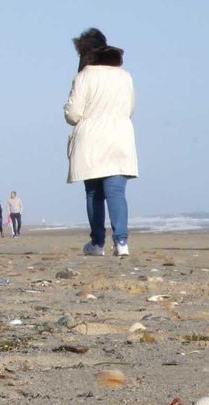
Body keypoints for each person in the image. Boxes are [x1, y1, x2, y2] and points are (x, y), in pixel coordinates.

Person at [65, 27, 138, 257]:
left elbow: (73, 114)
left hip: (92, 140)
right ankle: (122, 242)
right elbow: (130, 109)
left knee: (94, 194)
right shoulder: (125, 76)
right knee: (116, 192)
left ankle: (97, 243)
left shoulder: (84, 76)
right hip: (120, 137)